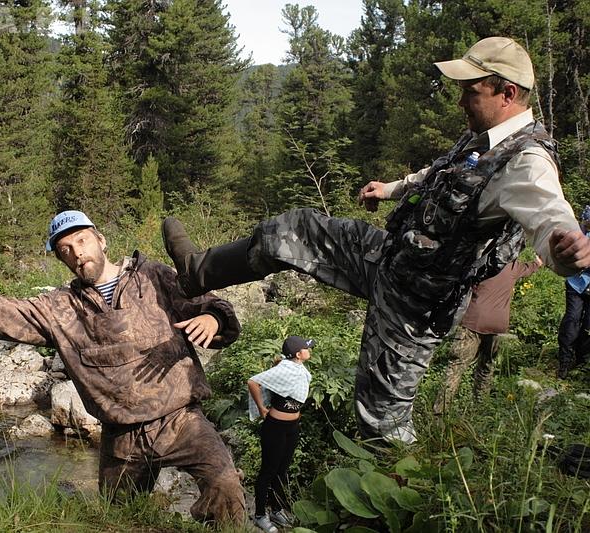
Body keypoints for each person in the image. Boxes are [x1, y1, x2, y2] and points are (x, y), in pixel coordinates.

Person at [161, 36, 590, 444]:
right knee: (297, 230)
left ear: (507, 93)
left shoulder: (527, 162)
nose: (461, 101)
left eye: (470, 92)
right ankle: (199, 272)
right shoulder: (484, 139)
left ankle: (397, 487)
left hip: (416, 307)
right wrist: (391, 189)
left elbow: (550, 217)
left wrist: (567, 251)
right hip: (390, 258)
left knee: (382, 422)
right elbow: (439, 174)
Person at [0, 210, 246, 524]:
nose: (77, 252)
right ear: (60, 258)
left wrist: (213, 319)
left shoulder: (153, 276)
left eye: (81, 241)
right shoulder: (60, 308)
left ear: (101, 240)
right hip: (122, 436)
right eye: (65, 249)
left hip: (181, 420)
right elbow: (0, 313)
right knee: (117, 518)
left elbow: (210, 304)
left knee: (226, 483)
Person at [433, 257, 541, 414]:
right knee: (487, 367)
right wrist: (538, 262)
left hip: (473, 321)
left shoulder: (479, 264)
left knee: (456, 367)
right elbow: (531, 267)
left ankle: (440, 412)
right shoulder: (513, 267)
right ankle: (480, 409)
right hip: (497, 325)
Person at [247, 336, 313, 533]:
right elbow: (253, 382)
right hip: (275, 428)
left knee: (282, 470)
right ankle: (260, 515)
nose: (310, 350)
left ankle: (276, 510)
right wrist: (261, 408)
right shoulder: (283, 369)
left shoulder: (299, 369)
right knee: (268, 470)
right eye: (307, 348)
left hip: (292, 427)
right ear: (298, 354)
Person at [557, 206, 590, 379]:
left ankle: (582, 361)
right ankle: (565, 361)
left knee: (588, 325)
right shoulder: (579, 231)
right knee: (572, 320)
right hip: (576, 283)